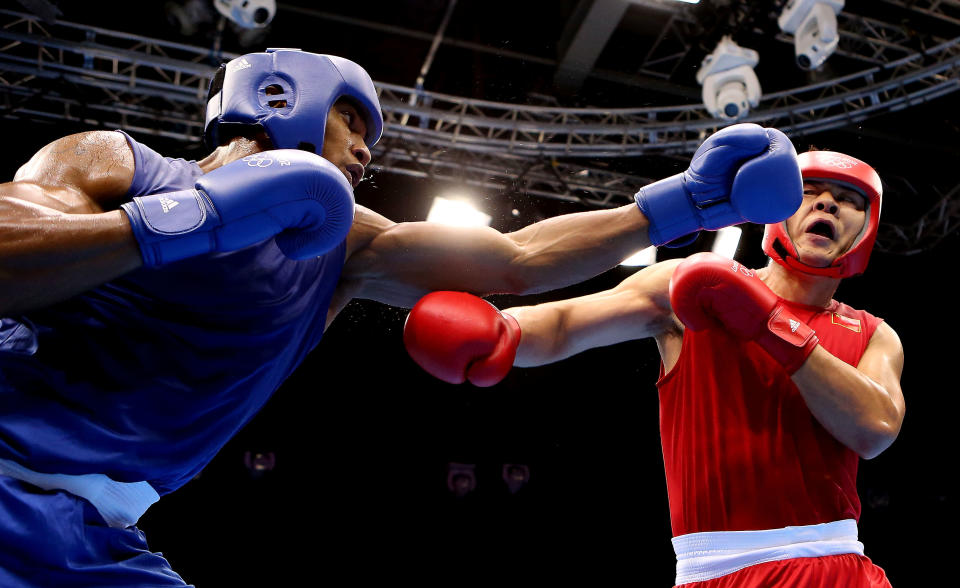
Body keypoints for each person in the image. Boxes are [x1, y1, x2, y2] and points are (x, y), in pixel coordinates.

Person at [0, 47, 802, 586]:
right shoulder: (119, 163)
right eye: (354, 121)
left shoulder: (344, 245)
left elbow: (517, 261)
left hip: (96, 534)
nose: (365, 151)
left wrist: (682, 206)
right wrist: (186, 223)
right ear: (282, 97)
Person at [404, 150, 905, 587]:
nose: (826, 204)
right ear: (778, 212)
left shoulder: (874, 334)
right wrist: (502, 332)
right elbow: (565, 322)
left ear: (866, 227)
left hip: (828, 564)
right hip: (705, 571)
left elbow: (876, 428)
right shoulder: (688, 287)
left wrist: (770, 324)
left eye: (847, 199)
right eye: (810, 192)